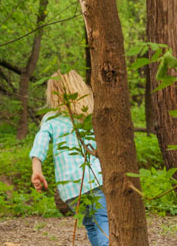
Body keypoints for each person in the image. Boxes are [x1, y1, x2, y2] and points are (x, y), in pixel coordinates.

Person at [30, 70, 109, 246]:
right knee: (103, 222)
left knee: (90, 224)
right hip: (95, 179)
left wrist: (37, 169)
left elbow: (40, 142)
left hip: (70, 187)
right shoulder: (90, 115)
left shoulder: (51, 119)